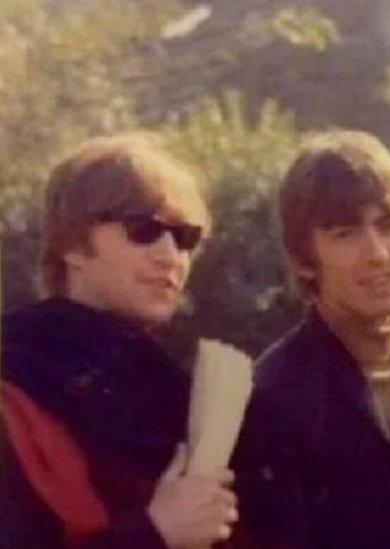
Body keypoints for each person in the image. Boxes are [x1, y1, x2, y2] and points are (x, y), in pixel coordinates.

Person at [0, 133, 238, 548]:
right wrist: (155, 534)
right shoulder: (14, 389)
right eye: (143, 230)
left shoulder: (170, 389)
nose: (170, 257)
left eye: (185, 238)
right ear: (73, 244)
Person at [234, 131, 390, 548]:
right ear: (304, 257)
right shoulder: (270, 399)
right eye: (345, 233)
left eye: (389, 225)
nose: (377, 252)